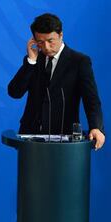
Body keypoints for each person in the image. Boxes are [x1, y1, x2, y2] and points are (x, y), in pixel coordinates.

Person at [8, 13, 105, 149]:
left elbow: (92, 100)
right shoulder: (34, 60)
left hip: (65, 140)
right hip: (30, 138)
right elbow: (14, 92)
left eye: (50, 40)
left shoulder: (79, 61)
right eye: (40, 42)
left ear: (61, 35)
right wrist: (31, 62)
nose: (46, 47)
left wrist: (96, 127)